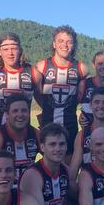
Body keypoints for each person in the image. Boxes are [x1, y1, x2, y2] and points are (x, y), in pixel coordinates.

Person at [35, 26, 89, 162]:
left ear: (73, 44)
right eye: (61, 41)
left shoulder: (81, 68)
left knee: (68, 167)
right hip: (47, 124)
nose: (65, 45)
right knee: (48, 165)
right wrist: (47, 107)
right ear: (54, 44)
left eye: (69, 41)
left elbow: (80, 96)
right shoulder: (41, 67)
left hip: (70, 125)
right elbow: (37, 93)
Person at [0, 33, 41, 139]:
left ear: (20, 50)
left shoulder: (34, 73)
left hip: (22, 137)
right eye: (5, 49)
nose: (10, 53)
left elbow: (45, 104)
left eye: (14, 48)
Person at [78, 50, 104, 125]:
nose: (103, 66)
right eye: (100, 64)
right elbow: (72, 107)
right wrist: (80, 116)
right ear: (93, 65)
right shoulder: (84, 84)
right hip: (88, 133)